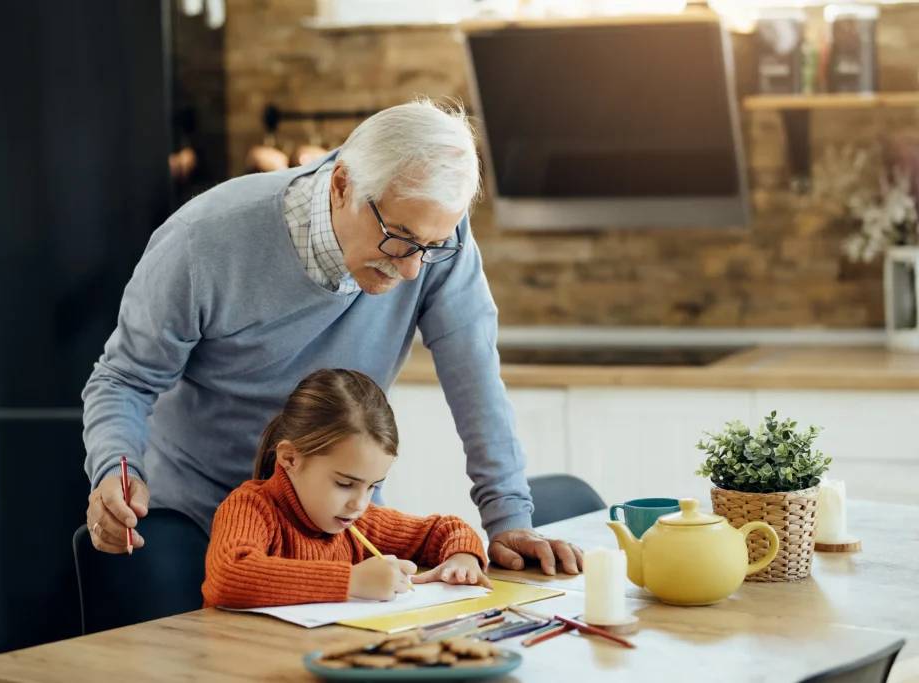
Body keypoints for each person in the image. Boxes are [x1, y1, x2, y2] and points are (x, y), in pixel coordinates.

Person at [82, 98, 584, 594]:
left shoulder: (431, 240)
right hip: (200, 526)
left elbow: (476, 382)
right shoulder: (204, 241)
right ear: (343, 185)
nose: (412, 270)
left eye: (432, 247)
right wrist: (115, 471)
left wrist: (508, 519)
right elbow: (125, 378)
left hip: (337, 530)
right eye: (399, 238)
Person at [202, 368, 492, 609]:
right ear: (290, 458)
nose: (360, 503)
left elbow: (446, 530)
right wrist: (351, 580)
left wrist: (462, 559)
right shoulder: (250, 508)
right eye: (345, 484)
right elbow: (228, 577)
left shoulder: (359, 523)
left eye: (372, 487)